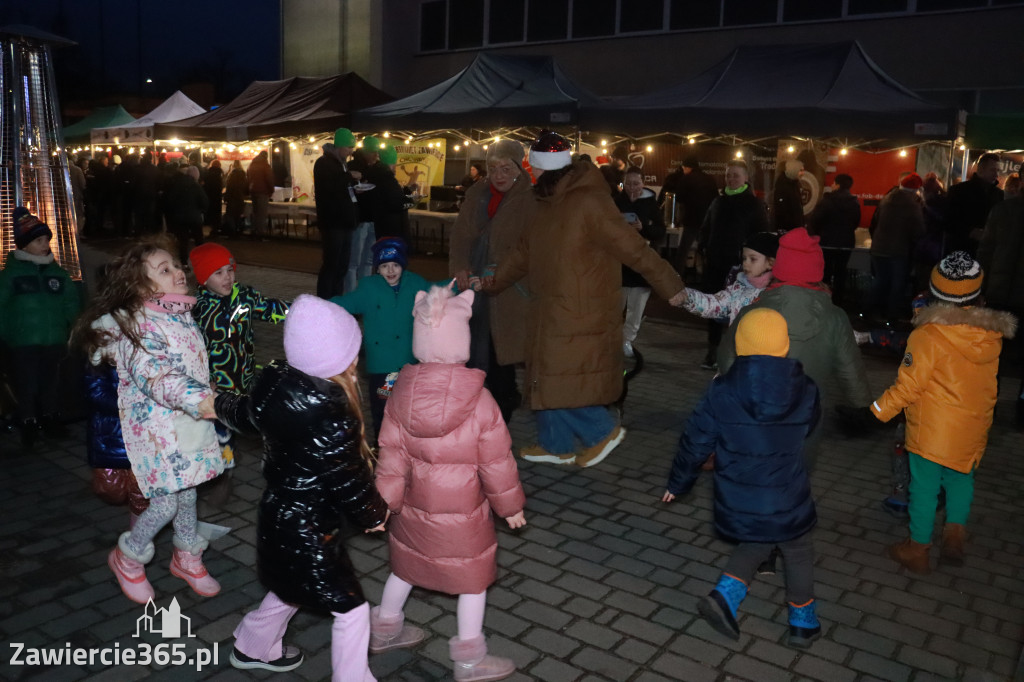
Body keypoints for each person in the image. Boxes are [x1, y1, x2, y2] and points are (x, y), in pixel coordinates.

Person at [214, 295, 394, 679]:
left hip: (279, 514)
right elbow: (350, 479)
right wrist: (375, 516)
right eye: (351, 352)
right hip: (309, 527)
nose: (355, 360)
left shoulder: (276, 389)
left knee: (291, 582)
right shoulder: (333, 414)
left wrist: (216, 403)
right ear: (336, 360)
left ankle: (254, 644)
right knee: (351, 608)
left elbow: (244, 415)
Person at [486, 131, 685, 467]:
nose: (528, 173)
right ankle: (556, 443)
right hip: (549, 305)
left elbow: (633, 248)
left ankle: (601, 430)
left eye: (531, 168)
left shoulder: (589, 201)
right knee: (544, 373)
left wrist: (672, 286)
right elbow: (523, 252)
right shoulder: (545, 202)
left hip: (580, 309)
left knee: (560, 378)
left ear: (545, 168)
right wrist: (491, 281)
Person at [374, 283, 526, 682]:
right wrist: (510, 508)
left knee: (404, 568)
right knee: (472, 581)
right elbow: (497, 461)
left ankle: (384, 629)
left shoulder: (398, 392)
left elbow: (390, 458)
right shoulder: (480, 399)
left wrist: (383, 506)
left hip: (413, 507)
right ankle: (470, 660)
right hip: (463, 515)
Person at [73, 239, 224, 604]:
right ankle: (128, 557)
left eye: (176, 265)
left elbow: (186, 367)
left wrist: (207, 389)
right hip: (159, 431)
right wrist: (201, 399)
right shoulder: (139, 326)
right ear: (142, 287)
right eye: (165, 270)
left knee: (187, 494)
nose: (179, 272)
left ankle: (187, 556)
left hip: (186, 424)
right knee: (166, 503)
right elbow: (154, 374)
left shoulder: (177, 314)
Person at [662, 309, 821, 648]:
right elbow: (809, 427)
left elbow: (695, 440)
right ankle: (802, 622)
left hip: (740, 494)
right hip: (788, 491)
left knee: (757, 536)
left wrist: (679, 483)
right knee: (797, 547)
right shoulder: (806, 389)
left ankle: (726, 596)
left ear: (740, 346)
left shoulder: (721, 390)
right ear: (785, 345)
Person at [870, 252, 1016, 574]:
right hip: (973, 426)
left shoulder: (927, 336)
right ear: (978, 294)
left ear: (934, 292)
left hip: (932, 429)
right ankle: (954, 536)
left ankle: (918, 549)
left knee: (924, 486)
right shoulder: (989, 336)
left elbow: (907, 388)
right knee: (962, 478)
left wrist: (875, 412)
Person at [718, 227, 872, 470]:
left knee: (755, 470)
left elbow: (727, 362)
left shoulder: (753, 310)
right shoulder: (835, 317)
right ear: (817, 271)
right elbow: (850, 370)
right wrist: (862, 405)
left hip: (756, 411)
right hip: (806, 415)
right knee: (796, 473)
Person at [450, 139, 536, 424]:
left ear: (518, 168)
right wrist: (460, 267)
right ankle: (476, 408)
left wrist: (501, 271)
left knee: (502, 354)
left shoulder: (531, 199)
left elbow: (531, 247)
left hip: (510, 289)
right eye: (493, 168)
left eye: (506, 167)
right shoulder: (477, 193)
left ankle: (503, 409)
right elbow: (461, 234)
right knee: (473, 347)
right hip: (474, 285)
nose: (499, 175)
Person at [330, 237, 442, 441]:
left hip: (408, 362)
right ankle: (382, 447)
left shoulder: (415, 283)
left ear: (403, 266)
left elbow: (438, 291)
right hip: (382, 366)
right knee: (382, 409)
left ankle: (407, 445)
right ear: (377, 268)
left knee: (409, 409)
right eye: (384, 266)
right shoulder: (369, 288)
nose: (390, 271)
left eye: (395, 265)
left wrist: (463, 285)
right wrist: (318, 306)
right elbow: (347, 302)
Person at [190, 242, 289, 468]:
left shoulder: (244, 297)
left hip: (244, 379)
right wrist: (202, 379)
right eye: (218, 272)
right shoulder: (197, 309)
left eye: (230, 270)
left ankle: (274, 458)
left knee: (258, 420)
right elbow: (193, 349)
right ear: (203, 278)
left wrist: (300, 310)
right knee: (222, 434)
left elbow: (270, 308)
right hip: (218, 385)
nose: (227, 277)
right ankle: (222, 467)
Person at [0, 208, 81, 448]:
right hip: (23, 342)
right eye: (38, 240)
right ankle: (28, 422)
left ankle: (51, 418)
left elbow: (70, 303)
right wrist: (8, 333)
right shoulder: (10, 276)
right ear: (25, 245)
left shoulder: (58, 274)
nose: (45, 245)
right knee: (26, 384)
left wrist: (71, 326)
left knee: (51, 382)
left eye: (46, 240)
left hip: (53, 339)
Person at [698, 159, 769, 369]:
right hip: (716, 264)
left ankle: (736, 352)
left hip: (741, 268)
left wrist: (753, 261)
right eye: (728, 175)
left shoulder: (754, 204)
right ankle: (712, 349)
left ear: (746, 178)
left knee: (738, 310)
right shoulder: (717, 201)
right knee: (713, 308)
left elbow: (762, 234)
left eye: (735, 175)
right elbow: (706, 227)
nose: (731, 179)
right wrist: (703, 247)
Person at [616, 167, 667, 357]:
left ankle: (627, 339)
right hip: (620, 261)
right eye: (628, 183)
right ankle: (613, 340)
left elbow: (660, 232)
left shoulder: (651, 204)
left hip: (641, 261)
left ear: (643, 183)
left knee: (636, 307)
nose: (632, 187)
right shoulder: (616, 202)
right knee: (615, 305)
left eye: (636, 183)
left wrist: (643, 228)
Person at [677, 231, 778, 325]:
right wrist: (687, 297)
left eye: (753, 259)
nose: (745, 263)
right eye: (744, 258)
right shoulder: (738, 288)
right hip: (738, 342)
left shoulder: (777, 293)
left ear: (770, 263)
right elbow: (715, 304)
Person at [869, 172, 925, 322]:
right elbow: (919, 230)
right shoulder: (912, 205)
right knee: (897, 283)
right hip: (898, 250)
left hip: (878, 247)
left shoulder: (887, 199)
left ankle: (871, 312)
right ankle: (892, 315)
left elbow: (874, 222)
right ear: (916, 189)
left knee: (880, 280)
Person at [314, 128, 359, 299]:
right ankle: (324, 301)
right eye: (348, 148)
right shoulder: (323, 163)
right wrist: (348, 177)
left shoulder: (341, 164)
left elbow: (340, 189)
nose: (351, 152)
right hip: (333, 223)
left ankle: (336, 301)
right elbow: (330, 187)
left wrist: (353, 188)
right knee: (331, 265)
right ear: (339, 146)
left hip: (344, 222)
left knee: (342, 266)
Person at [658, 156, 719, 281]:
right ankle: (706, 276)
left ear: (686, 167)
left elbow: (679, 198)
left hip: (692, 220)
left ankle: (677, 278)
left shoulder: (687, 179)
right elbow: (716, 199)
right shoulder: (710, 179)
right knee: (706, 250)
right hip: (708, 221)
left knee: (683, 251)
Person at [807, 173, 860, 304]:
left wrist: (820, 233)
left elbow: (815, 220)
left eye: (833, 183)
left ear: (837, 185)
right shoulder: (854, 202)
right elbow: (856, 222)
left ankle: (823, 300)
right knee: (840, 273)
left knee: (825, 273)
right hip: (846, 243)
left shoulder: (827, 201)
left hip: (827, 243)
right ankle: (838, 302)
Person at [945, 152, 1003, 256]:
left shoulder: (998, 194)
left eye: (998, 170)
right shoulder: (959, 191)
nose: (996, 174)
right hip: (962, 250)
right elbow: (948, 221)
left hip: (987, 251)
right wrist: (970, 232)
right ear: (981, 169)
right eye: (993, 170)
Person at [347, 136, 383, 293]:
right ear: (366, 152)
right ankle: (351, 297)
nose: (376, 155)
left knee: (368, 261)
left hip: (373, 219)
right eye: (374, 152)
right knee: (354, 261)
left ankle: (364, 296)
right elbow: (347, 192)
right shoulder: (352, 167)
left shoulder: (376, 167)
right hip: (360, 219)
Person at [366, 143, 414, 242]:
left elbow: (393, 197)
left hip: (382, 225)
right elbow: (396, 204)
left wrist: (408, 190)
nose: (395, 167)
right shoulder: (387, 178)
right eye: (394, 163)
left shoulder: (375, 174)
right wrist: (412, 200)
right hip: (391, 229)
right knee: (390, 256)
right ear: (390, 163)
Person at [164, 165, 207, 266]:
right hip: (194, 217)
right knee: (198, 240)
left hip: (180, 218)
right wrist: (201, 210)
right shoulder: (196, 186)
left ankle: (184, 263)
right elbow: (205, 201)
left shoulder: (177, 185)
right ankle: (202, 261)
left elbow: (170, 200)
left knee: (183, 241)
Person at [247, 150, 275, 240]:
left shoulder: (252, 165)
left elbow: (248, 177)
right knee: (261, 214)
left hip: (253, 191)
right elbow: (269, 179)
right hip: (263, 191)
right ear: (265, 156)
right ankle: (260, 233)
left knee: (255, 213)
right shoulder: (265, 165)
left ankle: (253, 230)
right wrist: (272, 189)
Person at [772, 159, 806, 233]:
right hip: (787, 231)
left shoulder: (795, 184)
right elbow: (781, 211)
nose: (803, 173)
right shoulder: (782, 186)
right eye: (800, 170)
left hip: (795, 230)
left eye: (803, 170)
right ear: (793, 170)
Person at [203, 159, 224, 233]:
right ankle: (215, 229)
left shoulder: (207, 173)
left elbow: (205, 186)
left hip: (209, 197)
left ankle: (210, 228)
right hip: (217, 197)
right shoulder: (220, 174)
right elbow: (221, 186)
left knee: (210, 213)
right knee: (216, 214)